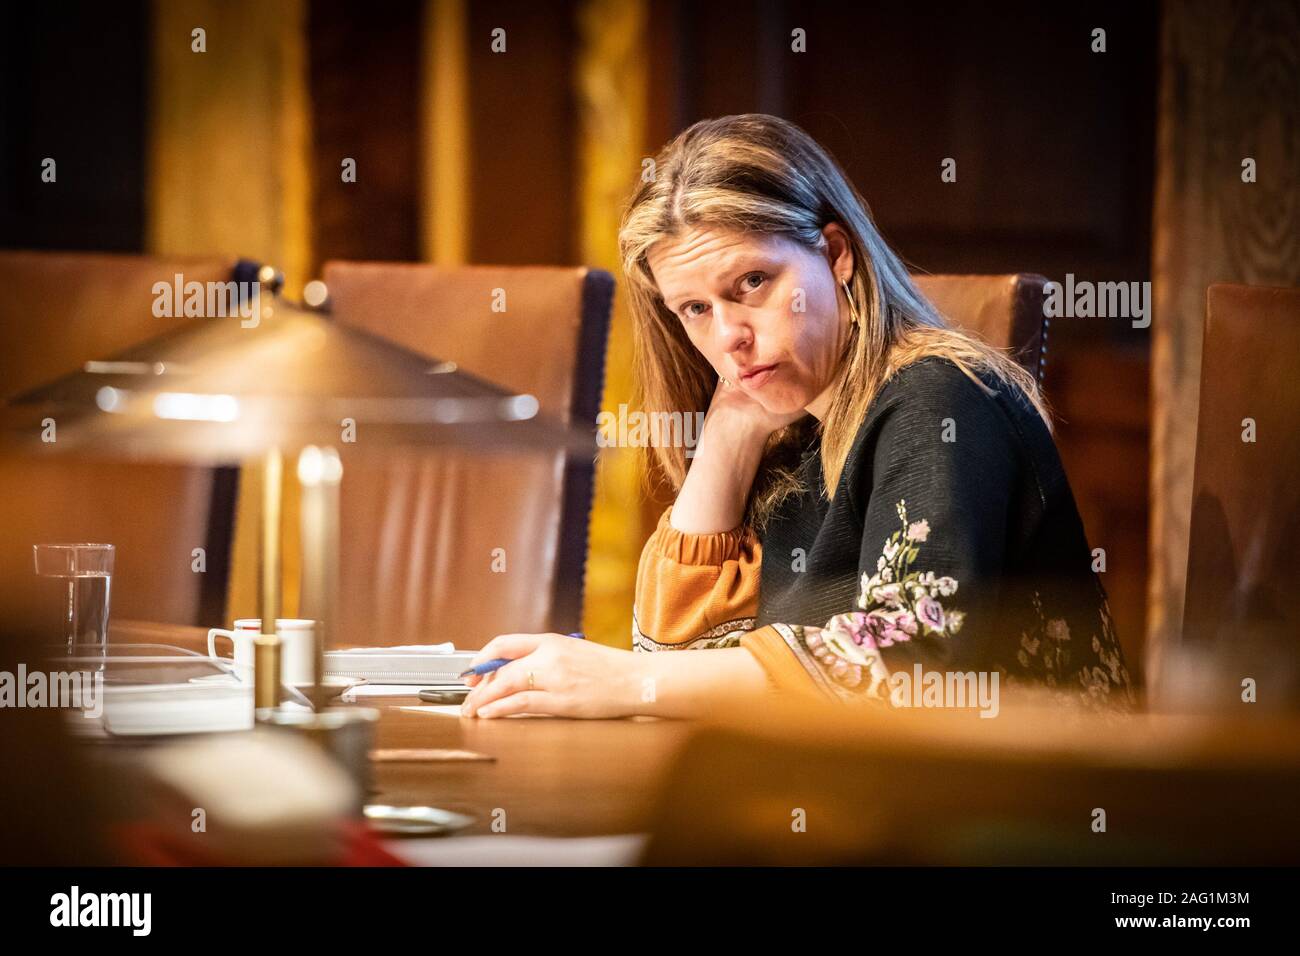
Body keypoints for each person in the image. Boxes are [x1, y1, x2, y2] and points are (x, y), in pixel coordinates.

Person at [461, 113, 1134, 719]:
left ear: (836, 253)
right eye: (696, 309)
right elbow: (686, 664)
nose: (728, 337)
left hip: (1031, 811)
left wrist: (626, 679)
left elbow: (916, 656)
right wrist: (727, 438)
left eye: (752, 283)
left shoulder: (942, 398)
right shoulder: (787, 424)